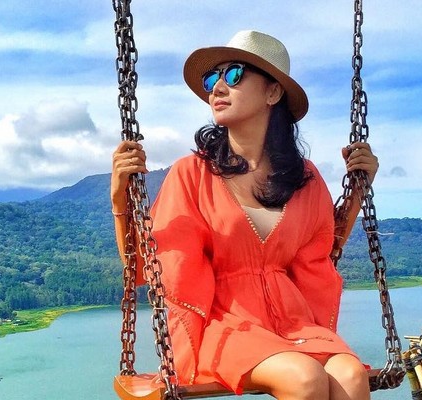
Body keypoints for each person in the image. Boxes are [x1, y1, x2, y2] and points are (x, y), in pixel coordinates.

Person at [110, 30, 378, 400]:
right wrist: (120, 199)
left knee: (351, 375)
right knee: (304, 378)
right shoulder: (193, 174)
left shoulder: (304, 178)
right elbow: (150, 262)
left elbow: (322, 250)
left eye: (234, 74)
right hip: (225, 323)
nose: (217, 88)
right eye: (212, 79)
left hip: (292, 322)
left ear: (273, 92)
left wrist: (358, 190)